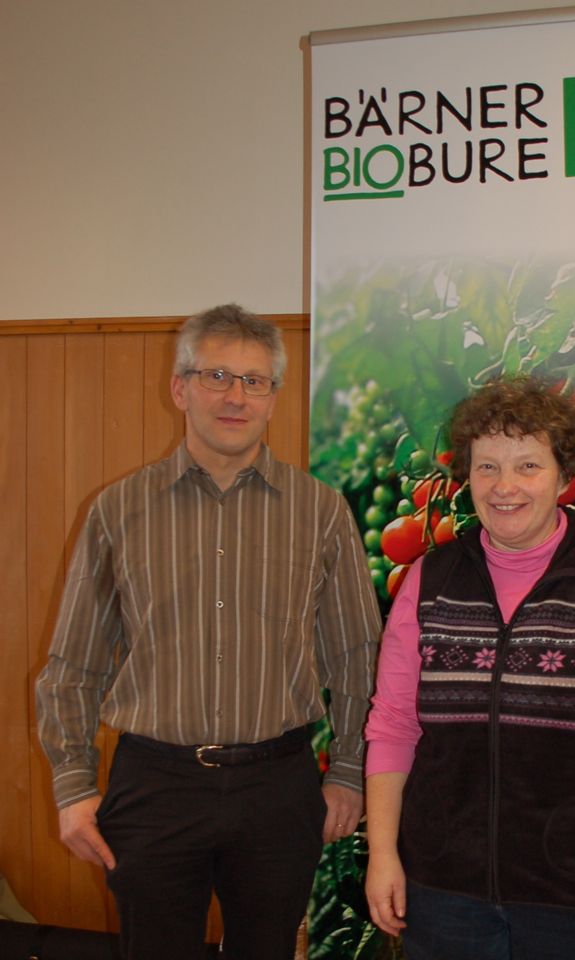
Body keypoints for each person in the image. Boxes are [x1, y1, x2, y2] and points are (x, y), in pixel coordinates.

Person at [36, 303, 382, 960]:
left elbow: (357, 656)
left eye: (254, 381)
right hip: (155, 786)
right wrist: (73, 784)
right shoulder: (117, 510)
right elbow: (73, 665)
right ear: (180, 388)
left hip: (278, 788)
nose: (235, 396)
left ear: (274, 397)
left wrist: (347, 770)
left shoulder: (320, 511)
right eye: (216, 375)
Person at [364, 376, 575, 960]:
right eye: (487, 467)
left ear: (564, 478)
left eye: (528, 466)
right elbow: (392, 727)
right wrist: (383, 853)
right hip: (444, 888)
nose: (504, 486)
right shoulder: (431, 581)